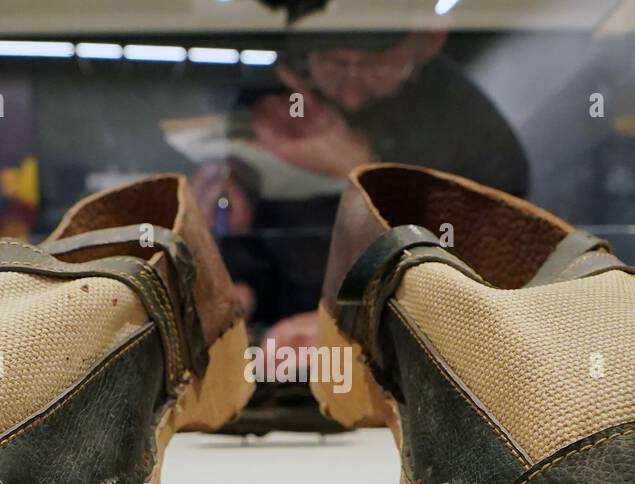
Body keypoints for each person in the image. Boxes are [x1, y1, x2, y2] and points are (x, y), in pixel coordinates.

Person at [194, 29, 530, 430]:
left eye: (377, 66)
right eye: (334, 64)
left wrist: (354, 327)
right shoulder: (277, 91)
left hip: (411, 376)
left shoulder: (467, 124)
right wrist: (231, 257)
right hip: (281, 361)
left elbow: (486, 263)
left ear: (429, 41)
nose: (351, 94)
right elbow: (248, 251)